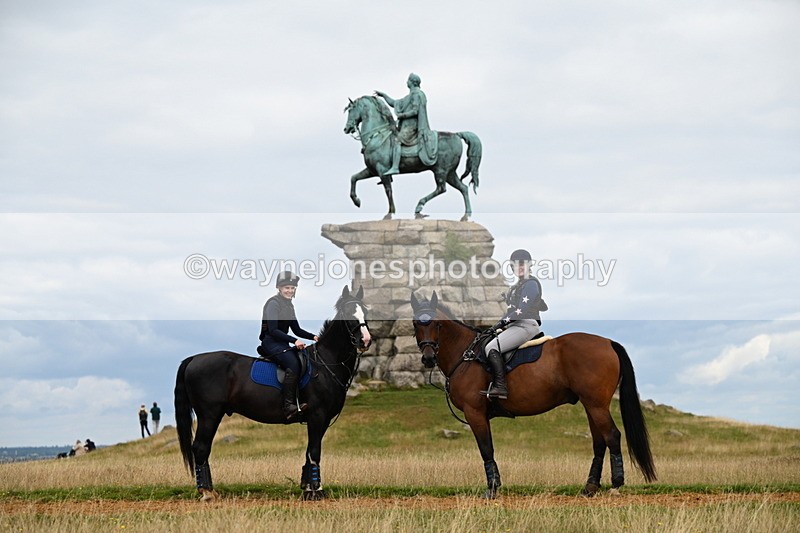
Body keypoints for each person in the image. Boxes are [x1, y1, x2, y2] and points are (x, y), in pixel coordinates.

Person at [481, 249, 548, 399]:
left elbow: (521, 311)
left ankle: (500, 387)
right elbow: (510, 312)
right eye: (516, 265)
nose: (520, 267)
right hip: (516, 325)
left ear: (529, 265)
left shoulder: (531, 284)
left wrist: (501, 324)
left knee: (491, 347)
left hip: (525, 325)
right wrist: (496, 326)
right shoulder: (516, 287)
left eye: (523, 264)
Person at [258, 271, 319, 420]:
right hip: (270, 342)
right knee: (293, 363)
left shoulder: (289, 306)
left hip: (282, 342)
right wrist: (294, 340)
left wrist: (314, 337)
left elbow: (297, 329)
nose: (290, 291)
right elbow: (273, 330)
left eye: (292, 288)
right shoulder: (273, 303)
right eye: (287, 288)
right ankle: (288, 406)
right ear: (279, 288)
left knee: (304, 358)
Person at [374, 72, 437, 175]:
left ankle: (395, 167)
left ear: (412, 82)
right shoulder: (410, 96)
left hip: (412, 127)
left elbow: (415, 111)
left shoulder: (417, 94)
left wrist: (403, 115)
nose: (406, 82)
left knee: (397, 140)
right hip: (405, 126)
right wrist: (384, 95)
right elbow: (394, 103)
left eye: (408, 80)